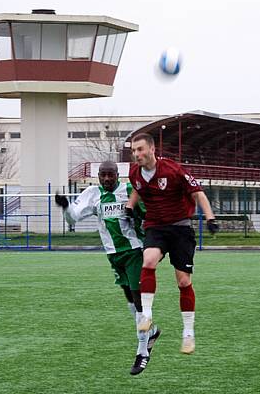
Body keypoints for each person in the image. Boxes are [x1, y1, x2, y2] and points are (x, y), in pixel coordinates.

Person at [55, 161, 160, 375]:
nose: (106, 179)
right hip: (113, 254)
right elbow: (73, 218)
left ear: (117, 175)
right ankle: (152, 332)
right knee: (130, 299)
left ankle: (143, 352)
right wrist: (65, 206)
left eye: (110, 175)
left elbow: (149, 213)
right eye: (103, 175)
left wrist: (138, 216)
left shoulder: (130, 190)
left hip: (135, 251)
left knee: (139, 300)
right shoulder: (93, 193)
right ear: (98, 176)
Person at [125, 133, 219, 355]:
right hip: (155, 226)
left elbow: (198, 193)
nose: (137, 154)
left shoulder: (173, 170)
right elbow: (139, 188)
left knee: (184, 282)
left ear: (152, 149)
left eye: (140, 149)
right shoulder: (134, 174)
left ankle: (188, 332)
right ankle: (146, 315)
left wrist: (210, 218)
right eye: (134, 151)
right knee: (148, 260)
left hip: (180, 228)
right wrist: (130, 206)